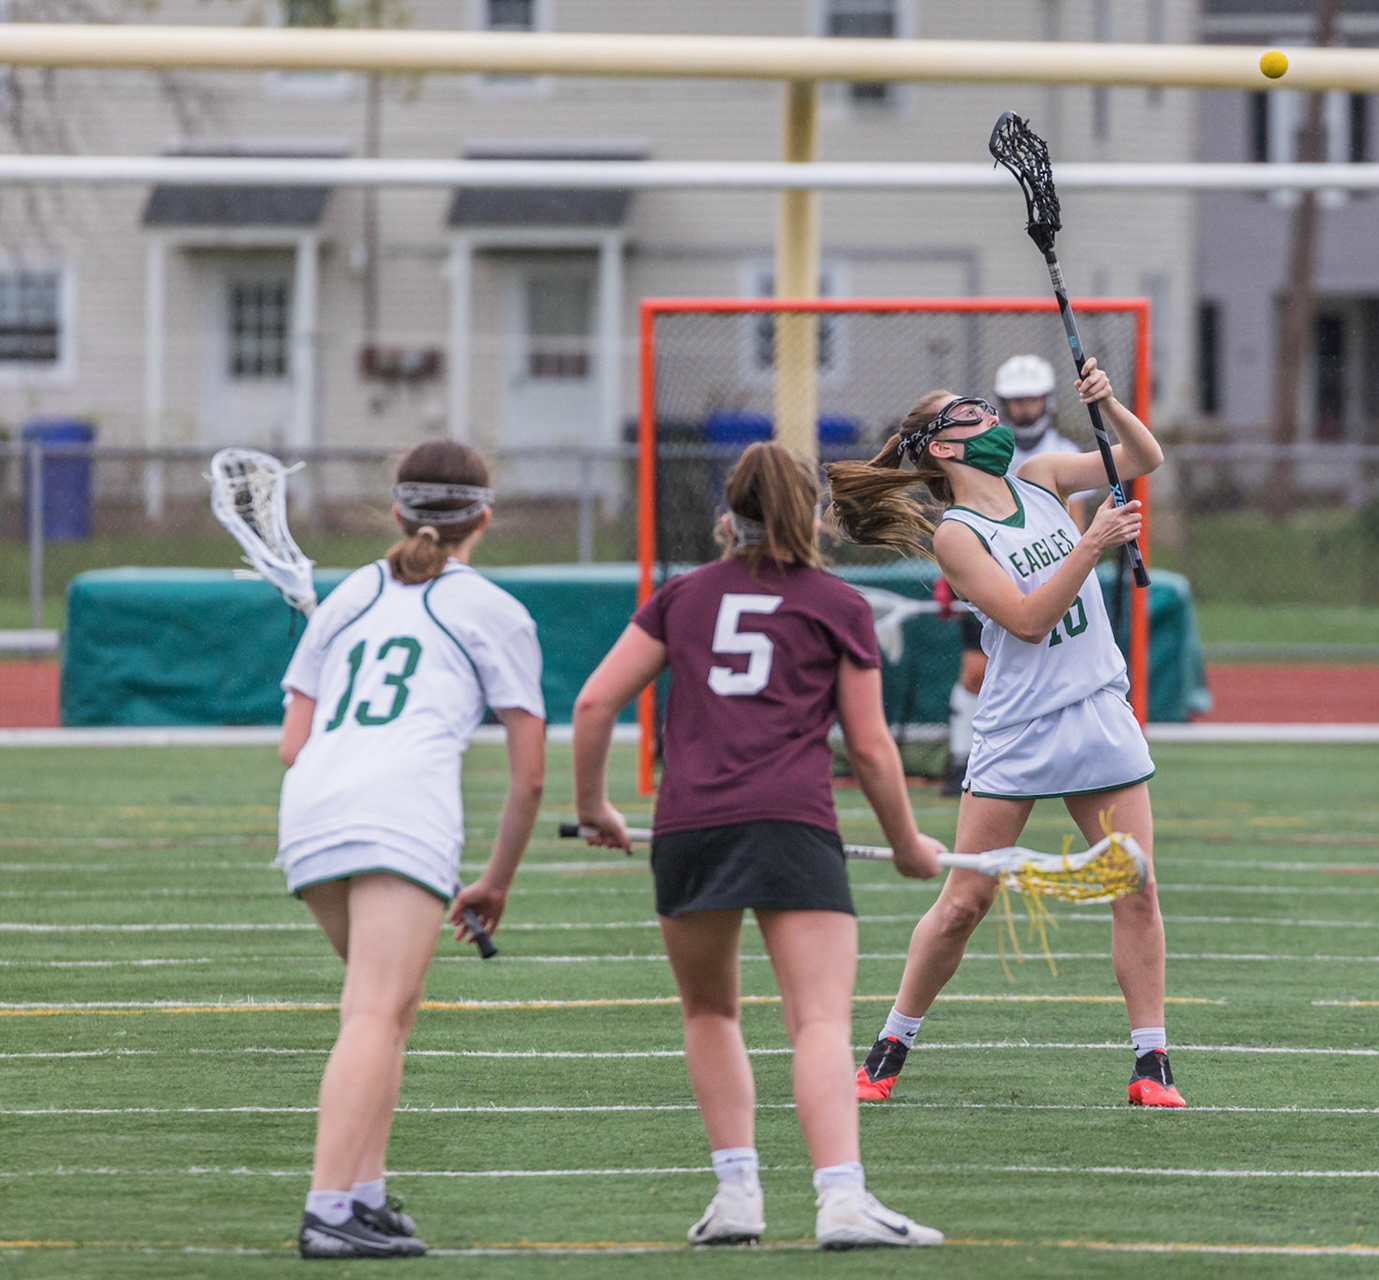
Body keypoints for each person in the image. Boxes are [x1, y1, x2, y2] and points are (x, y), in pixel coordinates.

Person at [571, 441, 947, 1250]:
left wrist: (594, 806)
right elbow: (870, 747)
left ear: (727, 517)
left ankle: (737, 1193)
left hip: (689, 826)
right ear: (810, 517)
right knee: (818, 1020)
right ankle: (841, 1199)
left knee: (709, 1011)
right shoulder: (838, 604)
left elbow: (595, 704)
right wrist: (908, 844)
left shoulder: (681, 596)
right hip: (792, 824)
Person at [826, 358, 1185, 1109]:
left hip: (1097, 709)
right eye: (971, 414)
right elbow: (1025, 620)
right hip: (1019, 728)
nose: (990, 418)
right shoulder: (957, 535)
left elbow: (1143, 457)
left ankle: (1151, 1064)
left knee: (1136, 886)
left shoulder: (1044, 477)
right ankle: (889, 1046)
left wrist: (1109, 403)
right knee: (965, 903)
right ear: (942, 447)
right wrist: (1092, 544)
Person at [277, 441, 546, 1258]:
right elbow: (531, 775)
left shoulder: (349, 594)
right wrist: (497, 881)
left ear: (397, 512)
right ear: (484, 518)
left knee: (385, 1008)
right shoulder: (495, 610)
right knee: (374, 1010)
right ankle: (328, 1210)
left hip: (311, 809)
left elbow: (292, 743)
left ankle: (362, 1194)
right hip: (400, 812)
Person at [941, 355, 1088, 796]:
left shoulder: (1058, 453)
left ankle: (1052, 754)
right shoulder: (983, 452)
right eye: (1017, 400)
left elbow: (1074, 524)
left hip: (1044, 575)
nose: (1025, 408)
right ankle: (962, 756)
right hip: (995, 573)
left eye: (1032, 399)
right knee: (976, 670)